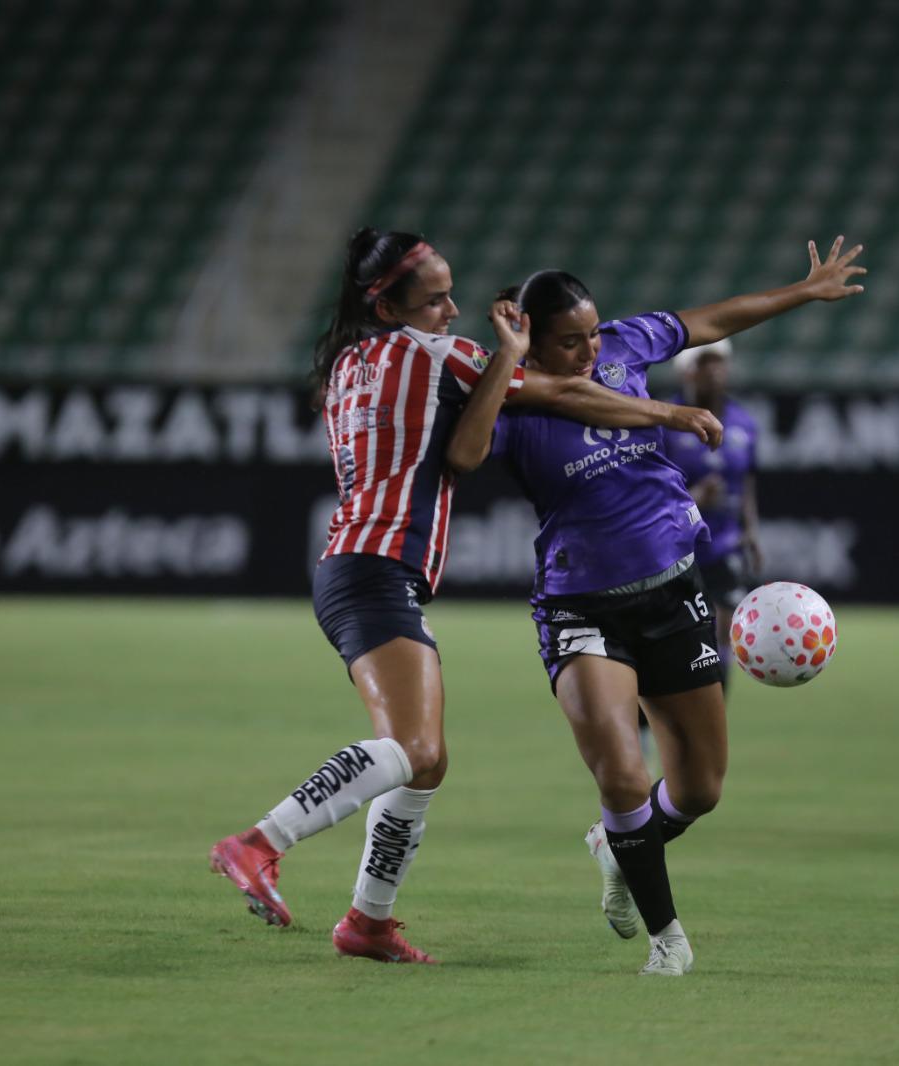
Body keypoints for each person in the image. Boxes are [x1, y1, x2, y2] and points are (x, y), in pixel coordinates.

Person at [208, 229, 722, 964]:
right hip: (378, 568)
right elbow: (567, 396)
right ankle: (260, 843)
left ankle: (369, 923)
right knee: (414, 748)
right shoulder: (441, 356)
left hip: (353, 565)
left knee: (426, 760)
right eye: (436, 298)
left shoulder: (348, 363)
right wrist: (668, 414)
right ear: (388, 307)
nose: (453, 308)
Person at [479, 238, 865, 974]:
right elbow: (468, 453)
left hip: (674, 591)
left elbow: (707, 321)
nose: (590, 348)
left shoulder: (623, 346)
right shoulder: (512, 395)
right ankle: (668, 940)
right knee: (623, 776)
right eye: (569, 340)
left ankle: (616, 845)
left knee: (700, 789)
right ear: (529, 336)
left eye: (592, 332)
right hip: (580, 604)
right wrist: (663, 411)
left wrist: (800, 291)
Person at [664, 338, 763, 693]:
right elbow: (650, 489)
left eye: (720, 362)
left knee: (725, 628)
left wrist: (750, 530)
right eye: (706, 362)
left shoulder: (744, 423)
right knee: (674, 639)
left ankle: (715, 714)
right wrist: (693, 499)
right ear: (687, 370)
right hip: (676, 548)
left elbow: (746, 481)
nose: (716, 370)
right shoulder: (666, 421)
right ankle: (647, 726)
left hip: (724, 543)